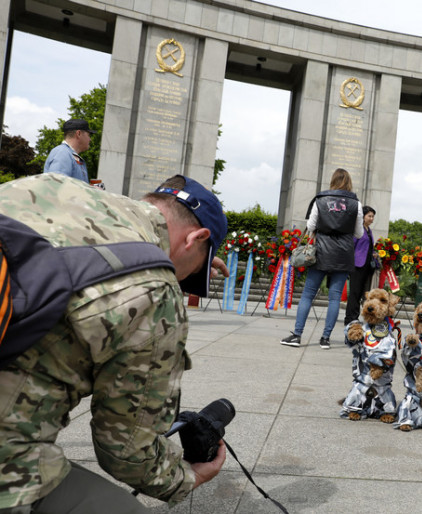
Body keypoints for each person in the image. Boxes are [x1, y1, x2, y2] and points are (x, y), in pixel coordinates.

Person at [0, 173, 228, 512]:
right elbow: (125, 451)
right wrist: (186, 477)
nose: (183, 280)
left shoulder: (44, 186)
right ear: (197, 237)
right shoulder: (155, 287)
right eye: (195, 270)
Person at [281, 168, 363, 349]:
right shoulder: (356, 204)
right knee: (334, 299)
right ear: (349, 182)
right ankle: (325, 339)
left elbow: (310, 226)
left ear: (332, 180)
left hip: (321, 253)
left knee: (308, 295)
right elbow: (358, 232)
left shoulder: (321, 199)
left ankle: (297, 335)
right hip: (343, 255)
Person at [343, 205, 378, 326]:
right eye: (369, 216)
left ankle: (357, 316)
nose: (371, 218)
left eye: (373, 216)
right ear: (363, 216)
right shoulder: (358, 229)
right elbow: (351, 246)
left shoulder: (369, 230)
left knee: (364, 293)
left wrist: (374, 254)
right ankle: (350, 318)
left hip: (367, 266)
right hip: (357, 265)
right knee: (355, 293)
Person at [43, 119, 95, 183]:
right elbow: (56, 185)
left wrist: (91, 190)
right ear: (78, 133)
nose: (90, 139)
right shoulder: (62, 153)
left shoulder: (68, 154)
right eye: (88, 135)